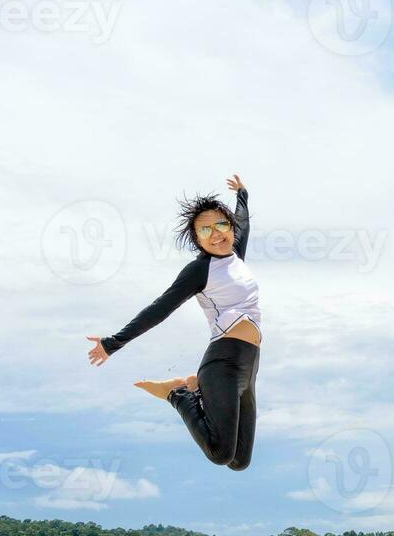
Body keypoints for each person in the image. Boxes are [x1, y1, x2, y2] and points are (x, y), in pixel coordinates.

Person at [86, 175, 262, 471]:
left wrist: (242, 195)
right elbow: (160, 308)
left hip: (251, 364)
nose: (216, 233)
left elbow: (244, 221)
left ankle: (194, 385)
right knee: (220, 453)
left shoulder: (236, 257)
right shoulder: (199, 271)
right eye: (205, 229)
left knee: (239, 461)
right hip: (223, 362)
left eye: (221, 224)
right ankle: (177, 392)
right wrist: (113, 343)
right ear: (197, 239)